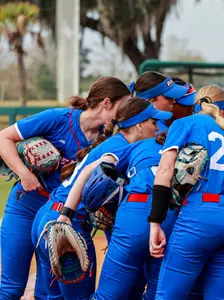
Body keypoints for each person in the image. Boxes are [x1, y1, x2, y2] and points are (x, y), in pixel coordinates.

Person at [0, 76, 130, 300]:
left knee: (46, 291)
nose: (123, 114)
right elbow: (3, 137)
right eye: (121, 106)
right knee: (11, 287)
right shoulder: (58, 118)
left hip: (59, 216)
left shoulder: (107, 139)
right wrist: (25, 174)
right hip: (27, 205)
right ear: (107, 103)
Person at [31, 98, 171, 300]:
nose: (157, 128)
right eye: (153, 123)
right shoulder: (119, 145)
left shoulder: (117, 143)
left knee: (50, 297)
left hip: (47, 216)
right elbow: (87, 173)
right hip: (68, 221)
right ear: (139, 125)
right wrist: (66, 216)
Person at [148, 97, 224, 299]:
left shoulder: (185, 123)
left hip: (202, 213)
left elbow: (165, 170)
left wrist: (155, 223)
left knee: (168, 295)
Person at [131, 71, 196, 133]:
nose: (173, 101)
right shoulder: (149, 130)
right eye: (168, 97)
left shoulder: (159, 123)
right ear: (150, 99)